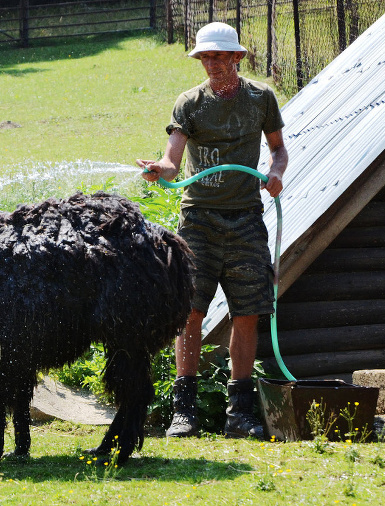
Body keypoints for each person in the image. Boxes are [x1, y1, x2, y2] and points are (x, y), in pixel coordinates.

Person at [138, 22, 288, 439]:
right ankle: (183, 414)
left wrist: (274, 173)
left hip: (246, 219)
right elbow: (172, 160)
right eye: (205, 57)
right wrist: (158, 170)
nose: (211, 64)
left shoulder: (261, 98)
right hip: (199, 220)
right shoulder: (189, 103)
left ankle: (239, 415)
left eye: (218, 57)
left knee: (247, 313)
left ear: (237, 58)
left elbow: (278, 149)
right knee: (190, 312)